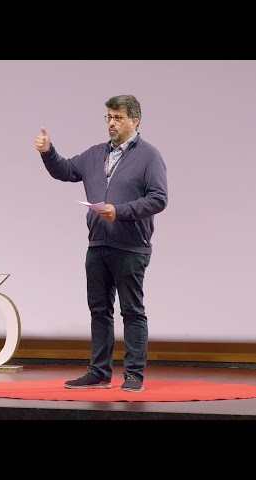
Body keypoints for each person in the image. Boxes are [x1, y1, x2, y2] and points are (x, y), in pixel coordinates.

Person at [34, 94, 167, 392]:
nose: (111, 123)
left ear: (135, 121)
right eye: (108, 117)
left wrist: (120, 211)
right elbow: (66, 170)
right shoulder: (96, 154)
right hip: (97, 245)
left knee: (132, 311)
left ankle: (133, 375)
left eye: (118, 118)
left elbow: (159, 198)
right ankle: (99, 372)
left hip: (131, 246)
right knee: (99, 311)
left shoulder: (150, 156)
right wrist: (48, 152)